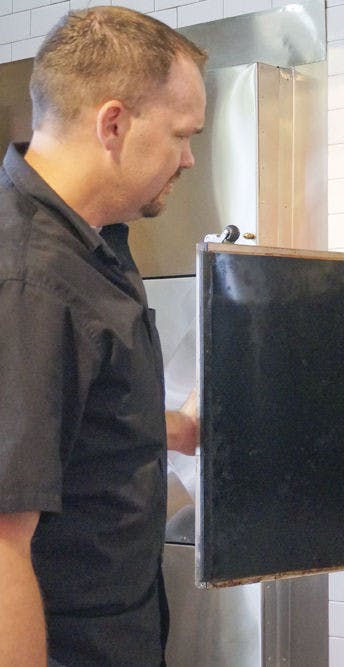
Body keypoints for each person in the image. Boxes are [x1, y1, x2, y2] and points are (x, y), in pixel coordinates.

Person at [0, 6, 207, 665]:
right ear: (113, 123)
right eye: (180, 134)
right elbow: (3, 540)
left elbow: (67, 422)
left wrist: (173, 426)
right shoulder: (33, 278)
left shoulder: (90, 246)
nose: (190, 157)